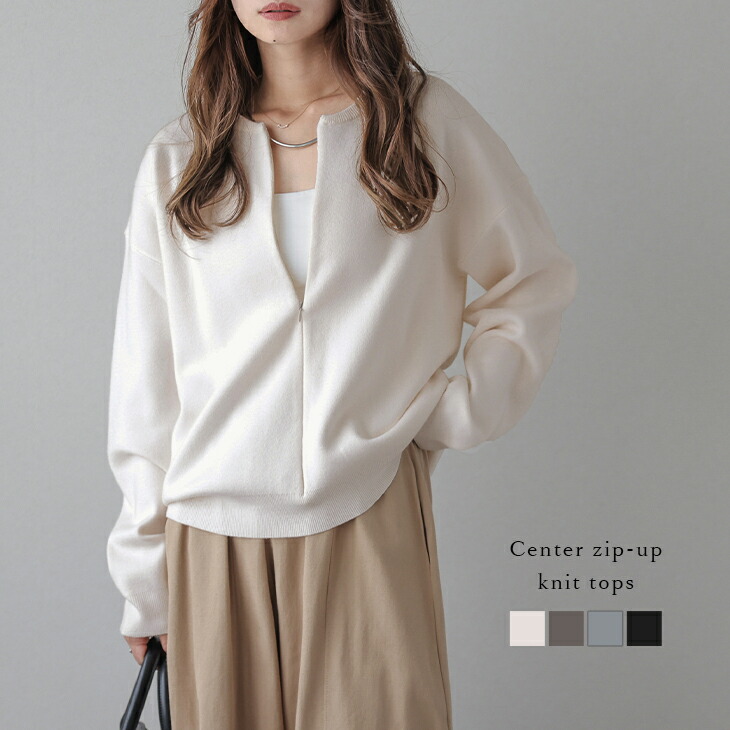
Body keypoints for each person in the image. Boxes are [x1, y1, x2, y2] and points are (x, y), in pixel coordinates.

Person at [105, 0, 578, 727]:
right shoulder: (182, 157)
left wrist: (460, 410)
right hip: (210, 537)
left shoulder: (422, 124)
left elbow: (531, 279)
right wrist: (145, 575)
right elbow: (146, 379)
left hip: (366, 509)